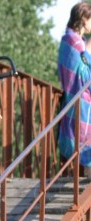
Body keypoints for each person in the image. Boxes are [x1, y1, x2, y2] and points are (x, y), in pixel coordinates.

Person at [57, 1, 91, 177]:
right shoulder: (73, 41)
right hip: (78, 105)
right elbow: (83, 78)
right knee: (81, 152)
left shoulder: (75, 40)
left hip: (78, 104)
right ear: (84, 18)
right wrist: (88, 49)